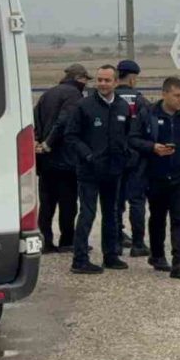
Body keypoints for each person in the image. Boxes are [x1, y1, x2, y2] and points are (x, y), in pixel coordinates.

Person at [129, 77, 180, 280]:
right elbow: (133, 139)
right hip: (155, 176)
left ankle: (179, 262)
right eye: (177, 95)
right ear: (164, 94)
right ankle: (157, 255)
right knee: (158, 218)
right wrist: (152, 148)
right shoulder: (148, 114)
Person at [65, 65, 134, 274]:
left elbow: (127, 135)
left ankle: (111, 255)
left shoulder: (122, 107)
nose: (103, 84)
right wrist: (88, 155)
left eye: (107, 80)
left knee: (112, 213)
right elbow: (71, 136)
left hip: (113, 171)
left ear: (115, 82)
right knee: (87, 213)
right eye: (100, 80)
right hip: (89, 171)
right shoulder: (84, 106)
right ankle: (80, 260)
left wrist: (125, 157)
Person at [33, 64, 89, 253]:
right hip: (65, 159)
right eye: (85, 80)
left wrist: (39, 144)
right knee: (68, 202)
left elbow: (35, 119)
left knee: (47, 202)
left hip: (44, 159)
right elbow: (64, 121)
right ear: (79, 78)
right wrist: (49, 142)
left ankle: (45, 242)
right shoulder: (74, 95)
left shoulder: (47, 94)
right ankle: (67, 240)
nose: (86, 84)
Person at [115, 59, 151, 256]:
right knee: (137, 201)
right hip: (137, 157)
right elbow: (149, 128)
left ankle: (116, 240)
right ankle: (138, 244)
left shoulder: (109, 98)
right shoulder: (140, 100)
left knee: (115, 201)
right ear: (132, 78)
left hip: (115, 157)